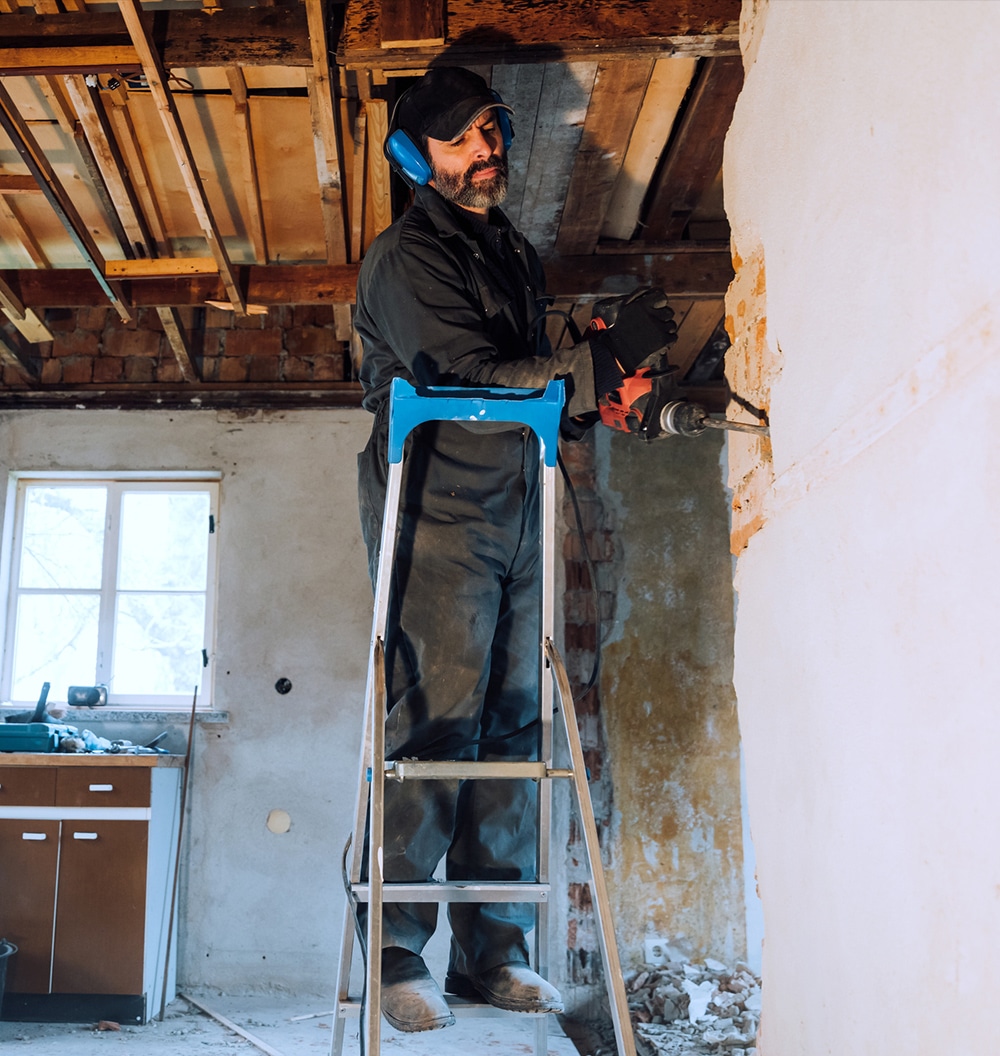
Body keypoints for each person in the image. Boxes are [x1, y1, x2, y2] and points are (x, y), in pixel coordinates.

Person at [354, 66, 677, 1033]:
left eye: (491, 131)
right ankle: (396, 954)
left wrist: (591, 340)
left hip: (521, 498)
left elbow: (531, 360)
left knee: (515, 726)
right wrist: (581, 372)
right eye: (462, 139)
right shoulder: (406, 256)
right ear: (418, 157)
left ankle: (493, 955)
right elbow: (471, 372)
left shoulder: (511, 251)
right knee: (434, 726)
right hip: (440, 503)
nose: (487, 149)